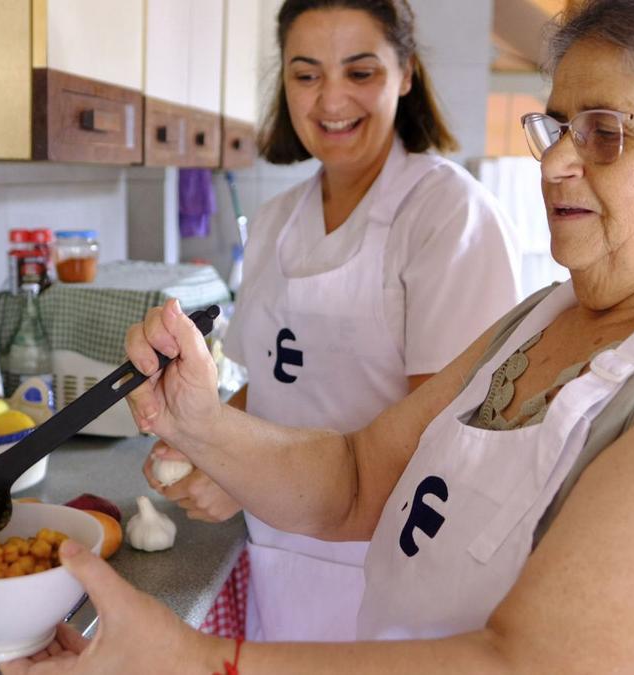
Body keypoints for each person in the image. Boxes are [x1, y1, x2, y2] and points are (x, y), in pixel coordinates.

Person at [3, 0, 634, 672]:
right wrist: (200, 421)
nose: (556, 161)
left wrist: (198, 660)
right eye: (558, 125)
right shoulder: (546, 317)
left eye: (606, 133)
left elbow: (530, 664)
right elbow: (354, 481)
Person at [140, 0, 521, 643]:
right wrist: (203, 443)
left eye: (361, 72)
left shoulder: (447, 215)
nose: (330, 99)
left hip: (395, 575)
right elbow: (271, 385)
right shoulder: (275, 222)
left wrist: (247, 481)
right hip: (280, 564)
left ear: (406, 75)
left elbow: (448, 440)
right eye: (306, 74)